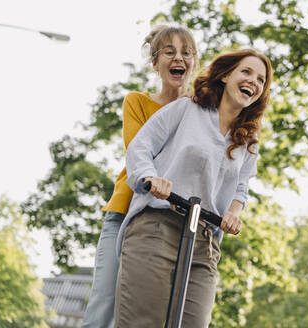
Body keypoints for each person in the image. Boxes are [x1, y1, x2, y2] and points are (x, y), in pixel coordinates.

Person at [114, 48, 273, 327]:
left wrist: (234, 212)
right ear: (225, 76)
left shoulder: (248, 140)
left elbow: (241, 188)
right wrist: (152, 178)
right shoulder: (188, 108)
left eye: (261, 79)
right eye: (246, 72)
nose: (254, 82)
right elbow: (141, 146)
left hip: (204, 241)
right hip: (158, 225)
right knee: (142, 322)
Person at [82, 24, 199, 328]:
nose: (179, 58)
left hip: (171, 220)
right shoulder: (137, 101)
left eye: (187, 53)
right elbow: (139, 151)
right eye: (170, 52)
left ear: (194, 62)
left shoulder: (199, 111)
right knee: (105, 301)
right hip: (125, 210)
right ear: (155, 62)